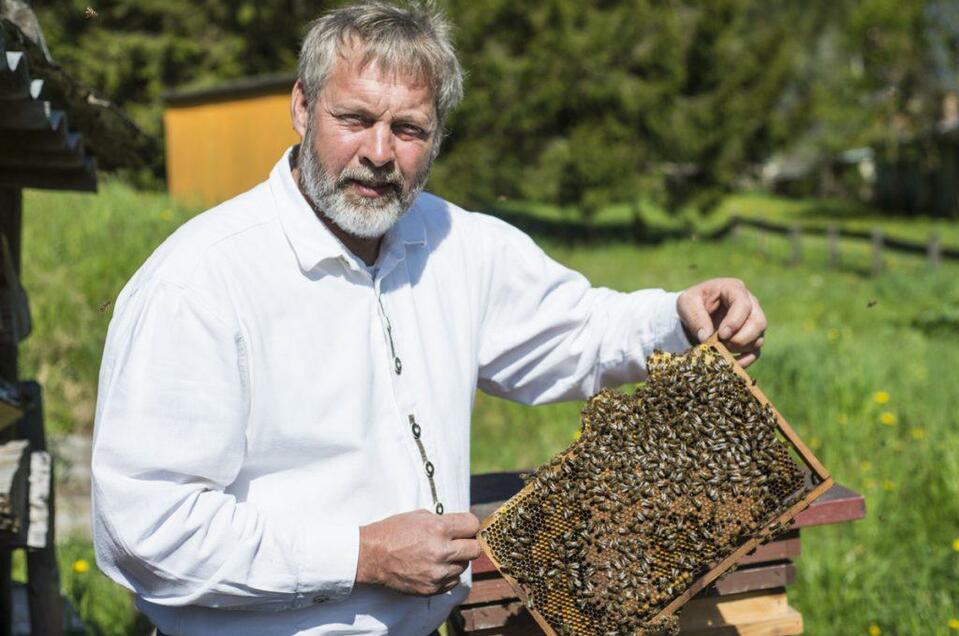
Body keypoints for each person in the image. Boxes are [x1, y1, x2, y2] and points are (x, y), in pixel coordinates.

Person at [91, 2, 767, 634]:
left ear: (437, 134)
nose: (380, 153)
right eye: (354, 118)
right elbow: (147, 528)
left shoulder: (458, 243)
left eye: (408, 129)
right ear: (302, 105)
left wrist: (677, 319)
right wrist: (360, 556)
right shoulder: (199, 281)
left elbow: (572, 330)